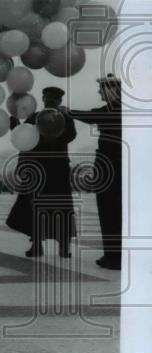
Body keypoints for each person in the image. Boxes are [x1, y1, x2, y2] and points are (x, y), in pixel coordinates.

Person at [6, 86, 77, 258]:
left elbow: (69, 135)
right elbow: (25, 140)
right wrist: (15, 127)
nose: (51, 100)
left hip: (55, 169)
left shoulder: (63, 118)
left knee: (58, 207)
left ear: (59, 101)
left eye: (55, 98)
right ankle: (39, 245)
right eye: (49, 97)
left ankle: (61, 247)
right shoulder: (35, 117)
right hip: (42, 169)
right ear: (44, 99)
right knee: (38, 208)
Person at [70, 74, 122, 270]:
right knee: (112, 211)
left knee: (110, 211)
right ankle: (112, 254)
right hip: (113, 164)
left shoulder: (117, 107)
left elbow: (94, 116)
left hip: (112, 165)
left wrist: (69, 112)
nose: (100, 91)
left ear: (112, 90)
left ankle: (114, 257)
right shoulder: (117, 107)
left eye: (102, 88)